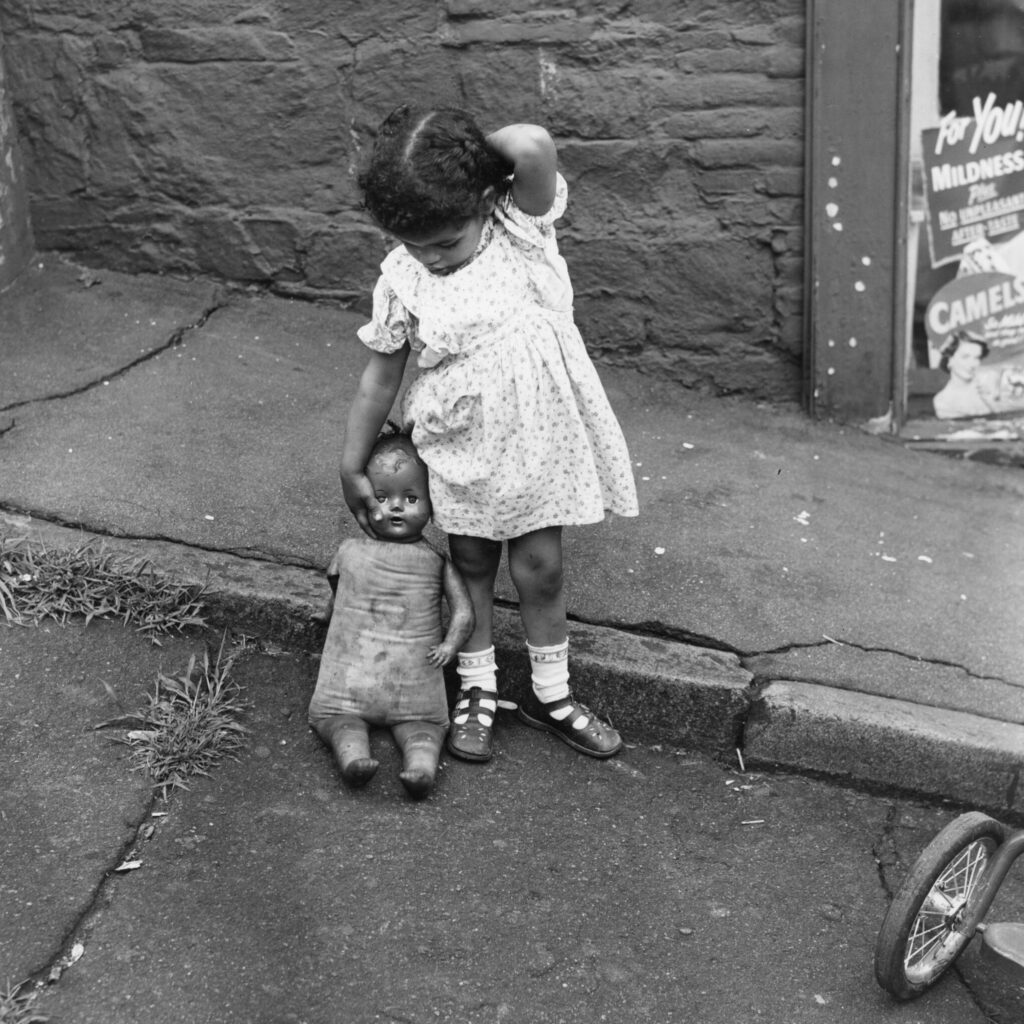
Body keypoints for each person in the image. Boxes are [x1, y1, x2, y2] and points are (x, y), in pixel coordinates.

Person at [341, 104, 639, 764]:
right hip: (459, 444)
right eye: (413, 243)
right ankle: (478, 688)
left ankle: (551, 694)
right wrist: (352, 459)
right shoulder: (404, 276)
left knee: (541, 569)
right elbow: (378, 377)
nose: (430, 258)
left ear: (482, 197)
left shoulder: (517, 223)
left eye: (444, 242)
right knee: (471, 563)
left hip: (539, 441)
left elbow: (531, 143)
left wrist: (463, 154)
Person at [309, 429, 474, 798]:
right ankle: (352, 757)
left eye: (411, 497)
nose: (396, 506)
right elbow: (337, 590)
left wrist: (450, 645)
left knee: (423, 729)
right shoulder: (349, 550)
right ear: (365, 498)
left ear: (433, 504)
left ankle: (421, 768)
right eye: (382, 497)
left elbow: (464, 612)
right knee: (339, 721)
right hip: (349, 684)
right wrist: (328, 614)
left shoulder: (436, 561)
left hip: (415, 685)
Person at [932, 331, 997, 419]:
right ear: (949, 360)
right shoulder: (942, 401)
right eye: (965, 357)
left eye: (977, 357)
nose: (972, 364)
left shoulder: (988, 389)